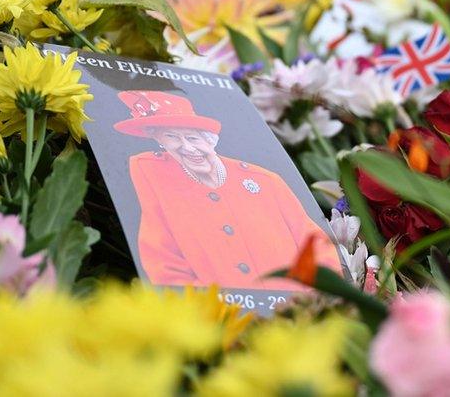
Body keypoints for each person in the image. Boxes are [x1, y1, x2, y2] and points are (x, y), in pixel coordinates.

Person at [114, 90, 340, 290]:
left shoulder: (266, 181)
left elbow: (317, 248)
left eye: (193, 138)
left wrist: (311, 302)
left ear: (211, 140)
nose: (187, 147)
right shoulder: (156, 178)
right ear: (160, 142)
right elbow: (164, 263)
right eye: (172, 137)